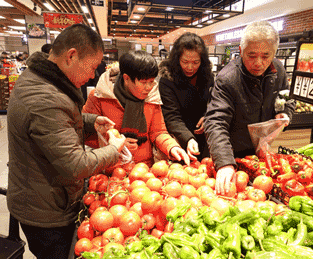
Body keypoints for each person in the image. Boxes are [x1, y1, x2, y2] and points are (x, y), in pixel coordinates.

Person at [7, 24, 126, 259]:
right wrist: (114, 150)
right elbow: (76, 164)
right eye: (92, 68)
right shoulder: (45, 97)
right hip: (46, 211)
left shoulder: (40, 77)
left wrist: (91, 122)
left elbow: (53, 123)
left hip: (41, 195)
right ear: (71, 56)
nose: (93, 75)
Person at [204, 21, 295, 195]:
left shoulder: (279, 71)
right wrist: (224, 162)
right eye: (251, 55)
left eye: (266, 56)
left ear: (275, 53)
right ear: (240, 50)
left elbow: (287, 97)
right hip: (233, 152)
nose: (259, 63)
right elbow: (216, 121)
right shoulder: (227, 79)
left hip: (261, 154)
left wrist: (284, 112)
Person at [82, 50, 190, 168]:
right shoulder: (100, 96)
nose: (149, 87)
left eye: (151, 82)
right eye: (144, 82)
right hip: (109, 170)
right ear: (126, 78)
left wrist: (172, 147)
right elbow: (86, 135)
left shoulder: (151, 98)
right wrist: (115, 144)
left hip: (144, 172)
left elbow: (158, 131)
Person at [158, 32, 214, 161]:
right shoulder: (168, 79)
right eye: (185, 61)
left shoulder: (207, 76)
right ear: (177, 59)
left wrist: (208, 116)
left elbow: (215, 103)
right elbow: (171, 116)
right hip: (179, 137)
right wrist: (188, 138)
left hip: (205, 137)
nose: (190, 67)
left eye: (195, 62)